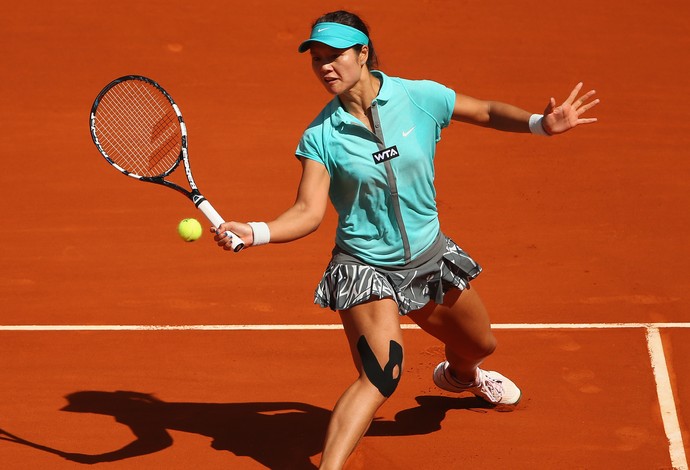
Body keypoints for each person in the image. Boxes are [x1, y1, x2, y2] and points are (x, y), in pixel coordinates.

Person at [213, 9, 599, 469]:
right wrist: (255, 232)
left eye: (334, 56)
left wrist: (540, 123)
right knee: (380, 374)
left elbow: (486, 110)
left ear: (362, 52)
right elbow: (308, 212)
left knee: (480, 345)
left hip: (429, 257)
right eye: (317, 59)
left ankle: (460, 376)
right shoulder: (320, 135)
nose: (325, 68)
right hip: (365, 265)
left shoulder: (419, 98)